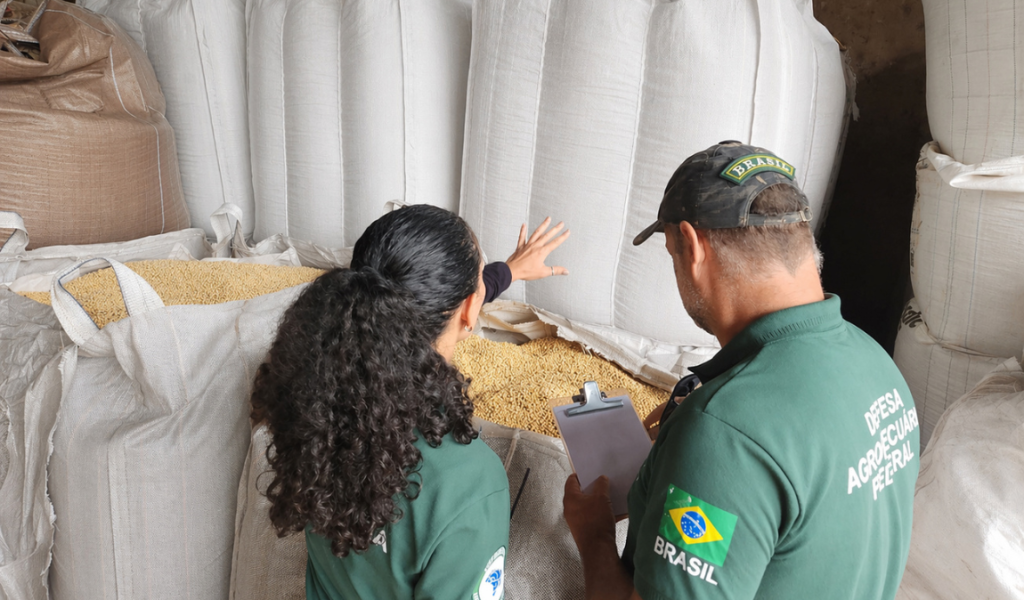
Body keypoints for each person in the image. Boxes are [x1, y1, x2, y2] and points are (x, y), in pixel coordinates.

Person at [563, 141, 920, 600]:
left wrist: (593, 535)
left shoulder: (723, 433)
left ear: (692, 247)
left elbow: (743, 452)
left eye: (671, 253)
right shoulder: (878, 364)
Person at [251, 205, 569, 600]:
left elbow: (403, 301)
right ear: (470, 310)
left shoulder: (310, 399)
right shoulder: (470, 482)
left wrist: (506, 271)